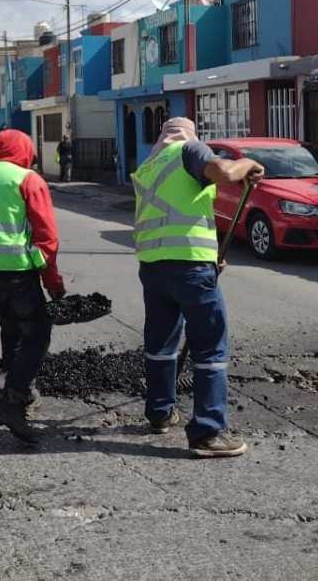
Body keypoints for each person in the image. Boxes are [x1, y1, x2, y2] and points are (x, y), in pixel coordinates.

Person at [133, 117, 264, 458]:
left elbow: (172, 214)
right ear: (189, 134)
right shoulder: (188, 149)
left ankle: (160, 412)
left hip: (154, 266)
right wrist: (248, 163)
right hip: (189, 267)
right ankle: (208, 431)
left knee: (161, 343)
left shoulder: (147, 166)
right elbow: (224, 172)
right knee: (210, 346)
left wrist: (208, 258)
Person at [0, 129, 65, 443]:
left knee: (11, 328)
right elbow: (46, 236)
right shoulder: (27, 179)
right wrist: (53, 282)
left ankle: (10, 388)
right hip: (16, 272)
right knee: (37, 335)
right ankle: (12, 401)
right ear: (25, 149)